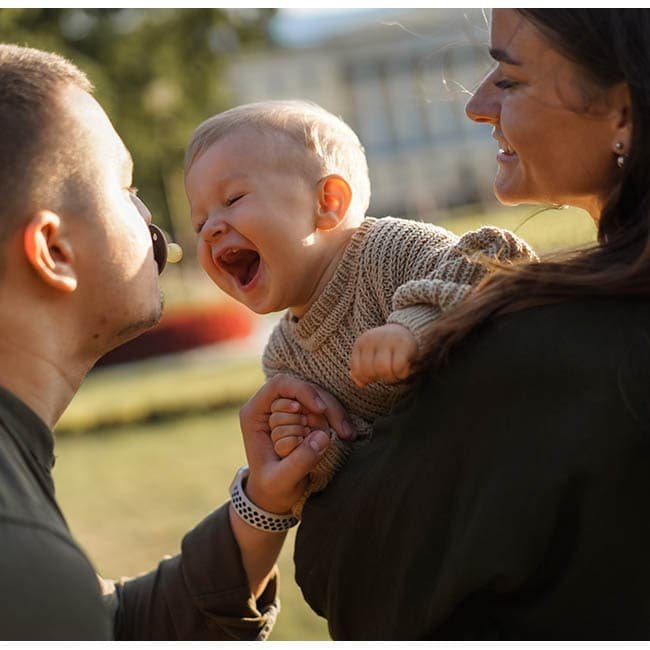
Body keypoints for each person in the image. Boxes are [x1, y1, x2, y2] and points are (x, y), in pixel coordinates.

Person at [258, 9, 650, 639]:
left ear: (624, 114)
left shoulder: (547, 349)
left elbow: (348, 567)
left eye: (510, 77)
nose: (475, 105)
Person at [0, 43, 352, 640]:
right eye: (126, 187)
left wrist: (260, 507)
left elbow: (110, 626)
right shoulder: (18, 558)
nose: (153, 222)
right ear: (54, 253)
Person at [184, 99, 536, 515]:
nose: (211, 229)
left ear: (328, 202)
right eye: (199, 222)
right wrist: (310, 447)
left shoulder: (386, 251)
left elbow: (494, 257)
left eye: (234, 198)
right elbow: (353, 461)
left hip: (511, 462)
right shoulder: (283, 359)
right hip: (436, 507)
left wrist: (416, 325)